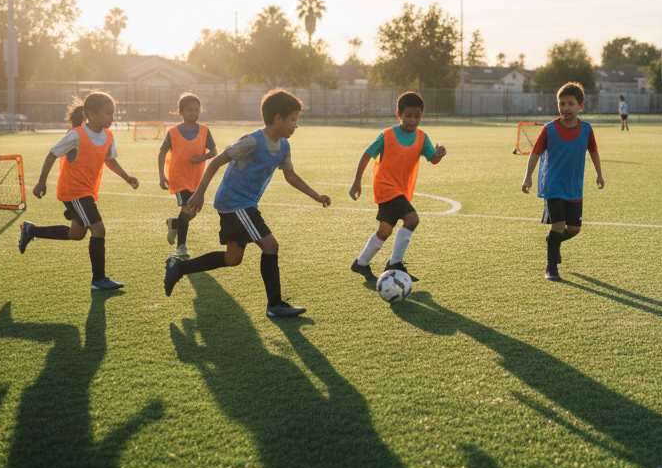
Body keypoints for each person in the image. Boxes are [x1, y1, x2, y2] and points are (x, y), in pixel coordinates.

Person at [163, 88, 330, 318]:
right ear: (278, 118)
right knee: (271, 246)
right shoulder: (252, 141)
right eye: (293, 120)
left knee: (233, 258)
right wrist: (199, 193)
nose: (296, 125)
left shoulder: (283, 146)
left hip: (243, 203)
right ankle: (275, 305)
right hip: (235, 203)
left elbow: (290, 176)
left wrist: (316, 196)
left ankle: (178, 267)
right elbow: (215, 162)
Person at [20, 92, 139, 290]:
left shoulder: (108, 136)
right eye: (108, 113)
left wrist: (126, 177)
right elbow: (52, 155)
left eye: (113, 113)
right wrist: (42, 182)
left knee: (77, 234)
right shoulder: (76, 134)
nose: (112, 117)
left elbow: (109, 159)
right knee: (99, 229)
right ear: (91, 114)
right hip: (74, 191)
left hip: (88, 191)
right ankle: (98, 280)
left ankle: (30, 230)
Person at [349, 91, 446, 282]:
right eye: (408, 115)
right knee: (412, 219)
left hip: (401, 190)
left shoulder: (421, 137)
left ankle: (360, 263)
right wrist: (357, 181)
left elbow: (432, 159)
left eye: (417, 116)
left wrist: (438, 155)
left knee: (385, 230)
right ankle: (395, 264)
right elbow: (367, 154)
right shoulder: (387, 135)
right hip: (386, 187)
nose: (413, 120)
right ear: (399, 115)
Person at [521, 82, 604, 281]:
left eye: (570, 104)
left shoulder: (586, 129)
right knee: (558, 225)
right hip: (553, 186)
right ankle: (551, 269)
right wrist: (528, 177)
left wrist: (599, 174)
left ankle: (553, 242)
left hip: (574, 187)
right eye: (562, 104)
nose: (565, 108)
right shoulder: (549, 129)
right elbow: (535, 154)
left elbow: (593, 151)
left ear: (580, 106)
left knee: (574, 229)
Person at [158, 93, 217, 260]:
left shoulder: (205, 131)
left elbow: (214, 151)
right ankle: (181, 248)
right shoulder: (173, 132)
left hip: (197, 179)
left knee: (194, 210)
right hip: (178, 177)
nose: (193, 113)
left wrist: (203, 157)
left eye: (196, 110)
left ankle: (175, 224)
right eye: (189, 110)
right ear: (180, 112)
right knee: (187, 208)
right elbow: (162, 153)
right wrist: (162, 176)